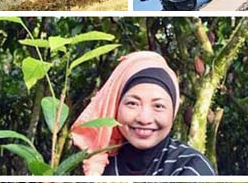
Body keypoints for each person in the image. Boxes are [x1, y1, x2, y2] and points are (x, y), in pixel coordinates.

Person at [71, 51, 216, 176]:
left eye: (158, 106)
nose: (144, 118)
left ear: (173, 112)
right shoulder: (96, 162)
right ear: (116, 106)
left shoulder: (191, 166)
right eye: (132, 103)